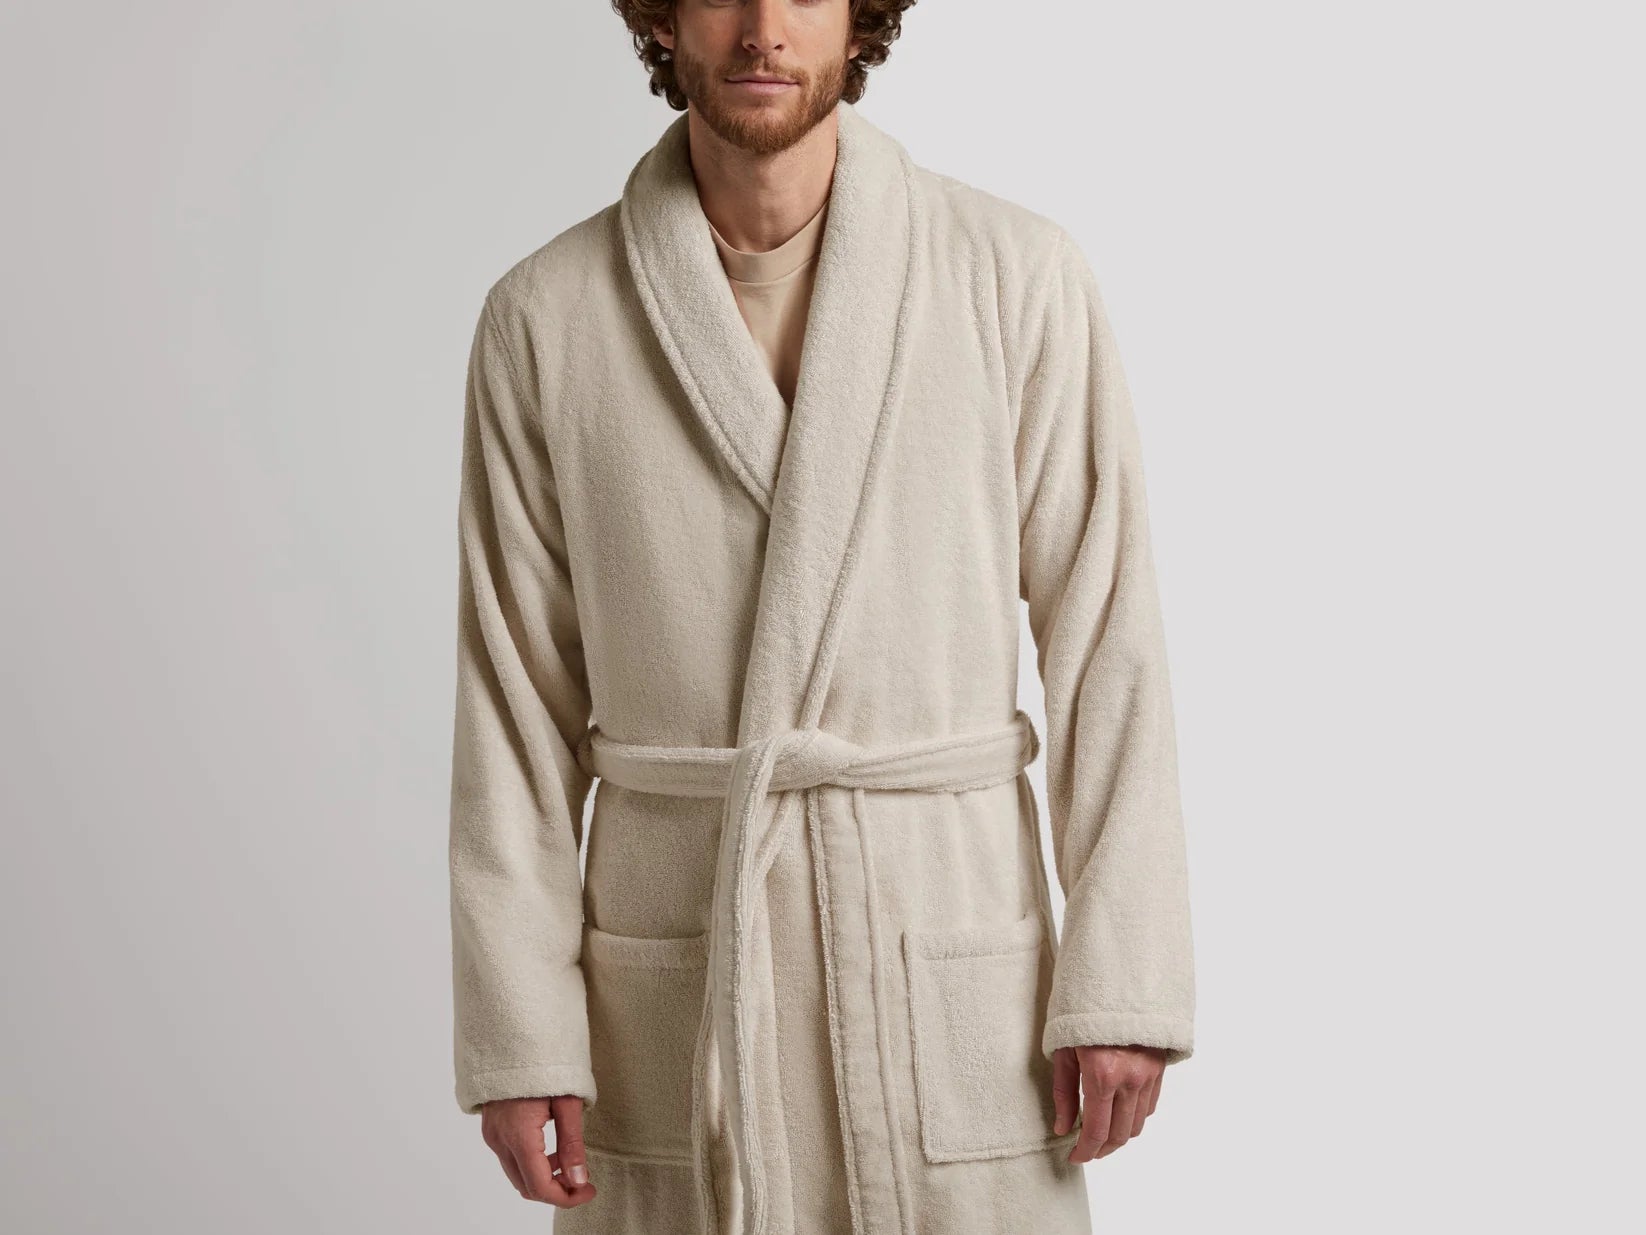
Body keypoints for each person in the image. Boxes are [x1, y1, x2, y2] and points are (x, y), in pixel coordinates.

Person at [447, 2, 1195, 1231]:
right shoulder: (547, 317)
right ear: (661, 17)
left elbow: (1108, 640)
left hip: (944, 941)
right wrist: (521, 1028)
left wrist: (1119, 978)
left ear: (860, 17)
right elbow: (511, 702)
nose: (761, 28)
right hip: (681, 965)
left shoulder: (1011, 276)